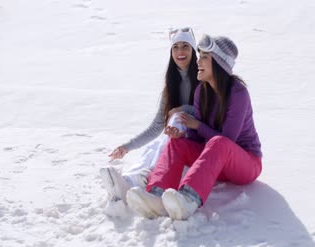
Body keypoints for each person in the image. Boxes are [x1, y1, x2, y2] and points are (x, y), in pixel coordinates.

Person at [126, 34, 263, 220]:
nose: (198, 61)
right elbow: (199, 138)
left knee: (219, 142)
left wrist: (197, 125)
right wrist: (182, 134)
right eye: (199, 56)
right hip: (216, 163)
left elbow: (227, 140)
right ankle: (156, 195)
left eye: (204, 57)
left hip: (246, 164)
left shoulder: (238, 93)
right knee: (177, 144)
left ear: (219, 63)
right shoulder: (202, 91)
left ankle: (188, 200)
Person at [100, 27, 199, 203]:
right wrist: (127, 147)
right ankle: (128, 182)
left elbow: (209, 112)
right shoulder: (170, 86)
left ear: (193, 50)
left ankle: (147, 182)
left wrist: (182, 110)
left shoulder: (203, 80)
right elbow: (156, 127)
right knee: (154, 147)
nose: (180, 51)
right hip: (174, 141)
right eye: (175, 47)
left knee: (175, 121)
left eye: (185, 46)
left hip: (195, 144)